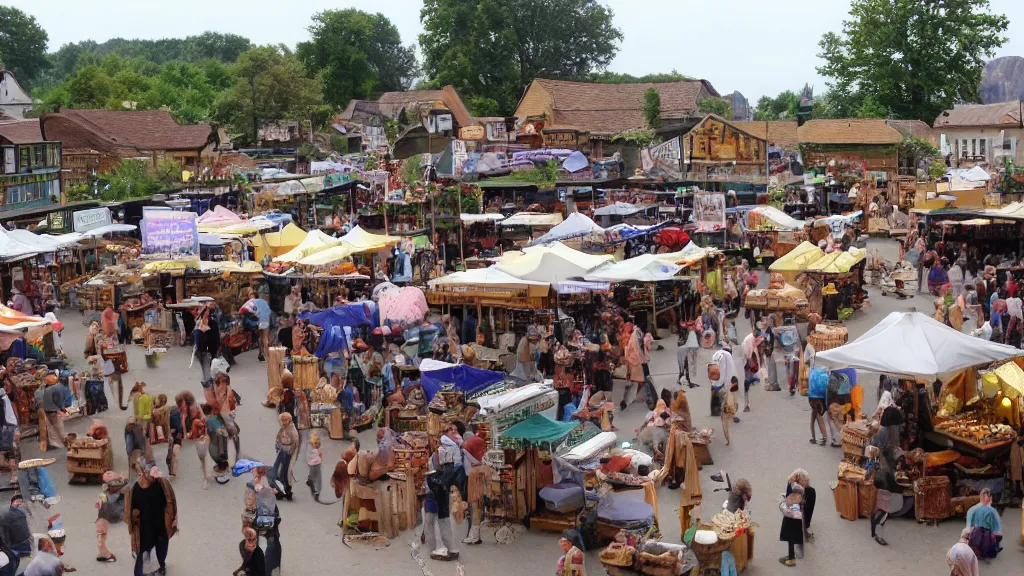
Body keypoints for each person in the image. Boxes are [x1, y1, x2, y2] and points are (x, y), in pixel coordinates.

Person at [125, 461, 177, 576]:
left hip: (161, 524)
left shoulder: (161, 483)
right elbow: (128, 512)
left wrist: (172, 520)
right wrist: (133, 522)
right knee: (143, 553)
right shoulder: (133, 489)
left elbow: (171, 502)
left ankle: (161, 566)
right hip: (144, 527)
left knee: (161, 548)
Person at [95, 471, 127, 562]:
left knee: (101, 531)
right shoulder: (119, 490)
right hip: (114, 514)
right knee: (102, 531)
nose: (109, 473)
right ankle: (103, 552)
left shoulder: (106, 492)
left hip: (106, 513)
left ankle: (102, 551)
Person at [965, 487, 1002, 558]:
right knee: (993, 536)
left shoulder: (971, 510)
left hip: (975, 536)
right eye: (990, 496)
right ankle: (992, 549)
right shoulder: (992, 511)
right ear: (987, 497)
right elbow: (997, 528)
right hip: (987, 536)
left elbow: (968, 527)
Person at [779, 470, 805, 567]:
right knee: (793, 537)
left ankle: (791, 559)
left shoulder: (795, 487)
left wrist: (789, 483)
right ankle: (791, 555)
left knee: (790, 537)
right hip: (797, 516)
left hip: (792, 516)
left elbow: (789, 497)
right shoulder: (800, 487)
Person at [273, 413, 299, 501]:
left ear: (289, 420)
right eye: (282, 420)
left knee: (285, 473)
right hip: (282, 451)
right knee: (277, 471)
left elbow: (295, 444)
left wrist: (288, 451)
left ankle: (286, 491)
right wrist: (279, 446)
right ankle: (279, 491)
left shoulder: (293, 430)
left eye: (285, 420)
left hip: (287, 453)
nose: (283, 422)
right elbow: (277, 439)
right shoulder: (283, 429)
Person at [240, 291, 272, 362]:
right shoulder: (261, 302)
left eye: (251, 296)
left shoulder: (251, 303)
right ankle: (265, 354)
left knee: (263, 338)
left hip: (260, 321)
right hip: (263, 321)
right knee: (264, 338)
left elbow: (245, 312)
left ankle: (263, 354)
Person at [193, 303, 219, 386]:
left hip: (210, 350)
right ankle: (208, 384)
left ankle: (210, 384)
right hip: (201, 350)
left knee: (209, 371)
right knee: (204, 372)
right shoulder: (199, 323)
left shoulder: (212, 323)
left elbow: (215, 337)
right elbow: (196, 337)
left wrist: (215, 349)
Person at [677, 320, 699, 388]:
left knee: (687, 366)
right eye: (689, 325)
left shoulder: (692, 333)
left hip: (688, 351)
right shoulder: (686, 333)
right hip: (685, 351)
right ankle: (683, 379)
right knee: (684, 366)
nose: (690, 327)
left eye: (691, 325)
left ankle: (686, 379)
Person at [305, 432, 322, 501]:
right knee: (315, 476)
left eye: (316, 443)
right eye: (313, 444)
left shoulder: (316, 450)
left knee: (316, 478)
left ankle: (316, 491)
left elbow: (317, 456)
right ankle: (310, 482)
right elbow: (309, 457)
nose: (314, 445)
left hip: (316, 465)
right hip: (314, 465)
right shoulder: (313, 450)